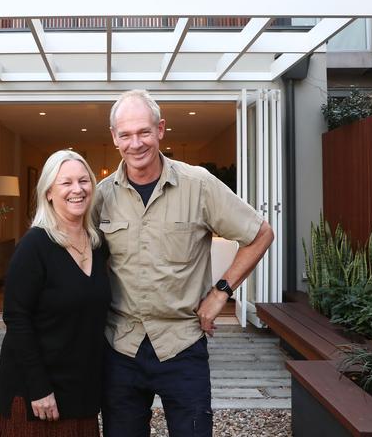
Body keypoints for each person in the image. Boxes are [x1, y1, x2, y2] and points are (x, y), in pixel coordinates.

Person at [94, 89, 274, 437]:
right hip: (120, 347)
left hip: (182, 345)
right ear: (114, 138)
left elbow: (260, 234)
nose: (136, 143)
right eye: (126, 135)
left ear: (160, 129)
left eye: (144, 131)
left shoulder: (198, 185)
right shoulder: (101, 196)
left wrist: (221, 292)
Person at [0, 150, 111, 437]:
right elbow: (16, 318)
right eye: (66, 183)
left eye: (84, 181)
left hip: (82, 390)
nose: (77, 189)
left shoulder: (98, 244)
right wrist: (39, 388)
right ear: (48, 192)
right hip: (38, 396)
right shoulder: (34, 247)